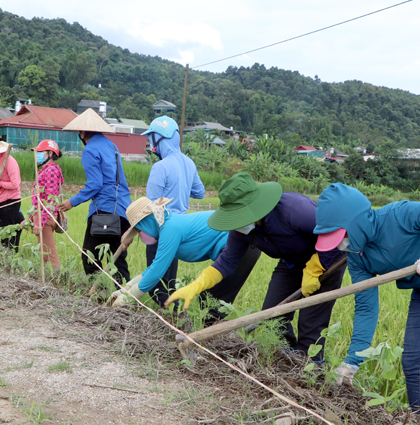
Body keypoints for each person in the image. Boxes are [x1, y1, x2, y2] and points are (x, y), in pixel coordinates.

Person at [314, 183, 420, 414]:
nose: (341, 244)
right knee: (413, 361)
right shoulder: (357, 256)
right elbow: (366, 307)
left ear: (356, 222)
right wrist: (352, 361)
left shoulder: (399, 215)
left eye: (342, 235)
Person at [165, 173, 345, 361]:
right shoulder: (241, 230)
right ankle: (290, 361)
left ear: (253, 208)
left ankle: (313, 369)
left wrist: (316, 267)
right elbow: (227, 261)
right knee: (272, 315)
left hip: (326, 261)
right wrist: (195, 286)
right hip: (291, 263)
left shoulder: (293, 209)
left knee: (311, 322)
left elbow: (335, 233)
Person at [108, 197, 260, 312]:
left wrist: (129, 297)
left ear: (147, 222)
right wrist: (125, 289)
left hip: (241, 249)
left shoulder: (170, 229)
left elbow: (157, 272)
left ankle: (214, 344)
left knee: (212, 303)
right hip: (241, 249)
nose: (141, 234)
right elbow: (155, 266)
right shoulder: (168, 226)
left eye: (139, 229)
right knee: (210, 302)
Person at [129, 116, 206, 307]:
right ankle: (174, 316)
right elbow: (200, 192)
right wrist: (182, 186)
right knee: (170, 281)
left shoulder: (160, 167)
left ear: (161, 138)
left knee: (157, 284)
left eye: (152, 138)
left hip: (162, 230)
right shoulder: (189, 163)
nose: (150, 144)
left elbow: (151, 206)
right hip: (181, 232)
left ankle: (169, 318)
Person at [58, 109, 131, 282]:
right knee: (117, 258)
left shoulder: (90, 150)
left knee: (90, 257)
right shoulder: (112, 146)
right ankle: (124, 297)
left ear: (81, 132)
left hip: (104, 210)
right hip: (122, 209)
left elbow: (96, 184)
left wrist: (72, 202)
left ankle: (100, 295)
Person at [25, 139, 65, 276]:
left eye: (40, 152)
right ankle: (39, 275)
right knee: (43, 250)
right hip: (41, 215)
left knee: (50, 251)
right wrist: (31, 218)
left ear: (49, 153)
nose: (37, 155)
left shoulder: (52, 171)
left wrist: (40, 222)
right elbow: (39, 200)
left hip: (45, 217)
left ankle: (58, 279)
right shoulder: (45, 170)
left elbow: (50, 199)